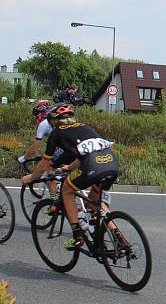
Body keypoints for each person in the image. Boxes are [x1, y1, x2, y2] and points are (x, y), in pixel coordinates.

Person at [22, 103, 119, 250]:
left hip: (92, 166)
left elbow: (44, 165)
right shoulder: (85, 127)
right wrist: (69, 167)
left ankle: (77, 235)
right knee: (96, 204)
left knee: (66, 190)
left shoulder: (56, 133)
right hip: (111, 164)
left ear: (54, 121)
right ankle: (119, 238)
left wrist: (30, 178)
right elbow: (86, 151)